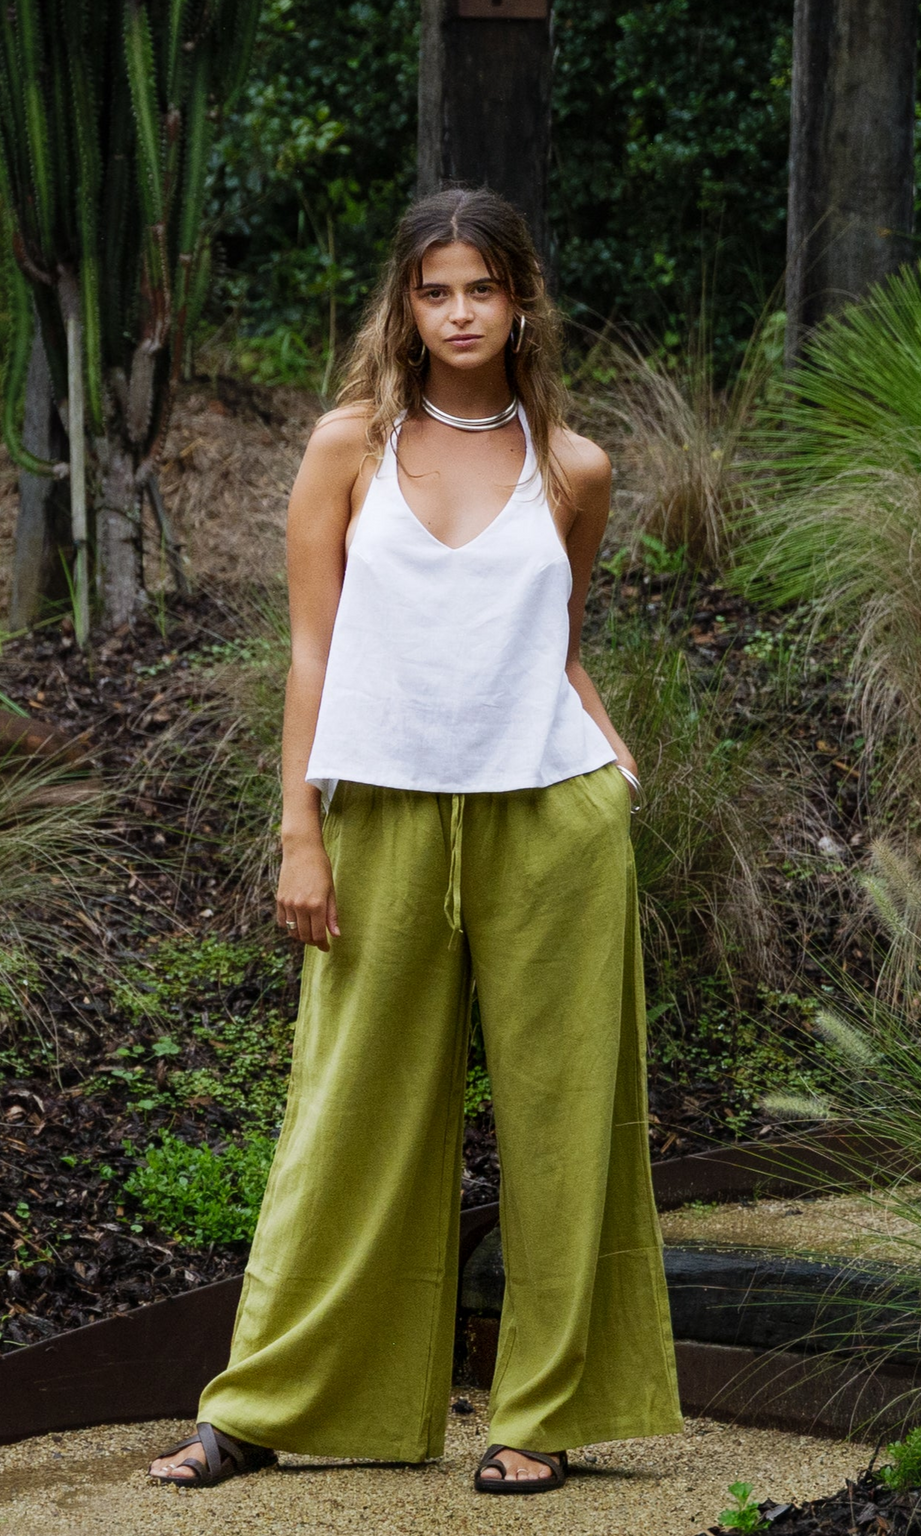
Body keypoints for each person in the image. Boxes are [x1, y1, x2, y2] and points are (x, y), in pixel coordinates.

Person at [148, 186, 684, 1498]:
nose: (459, 312)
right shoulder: (347, 448)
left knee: (569, 1121)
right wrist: (300, 831)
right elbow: (312, 650)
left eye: (483, 289)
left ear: (521, 303)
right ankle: (265, 1404)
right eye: (436, 289)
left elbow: (554, 645)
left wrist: (611, 758)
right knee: (347, 1108)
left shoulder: (576, 467)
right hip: (379, 808)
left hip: (549, 816)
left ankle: (542, 1415)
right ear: (404, 304)